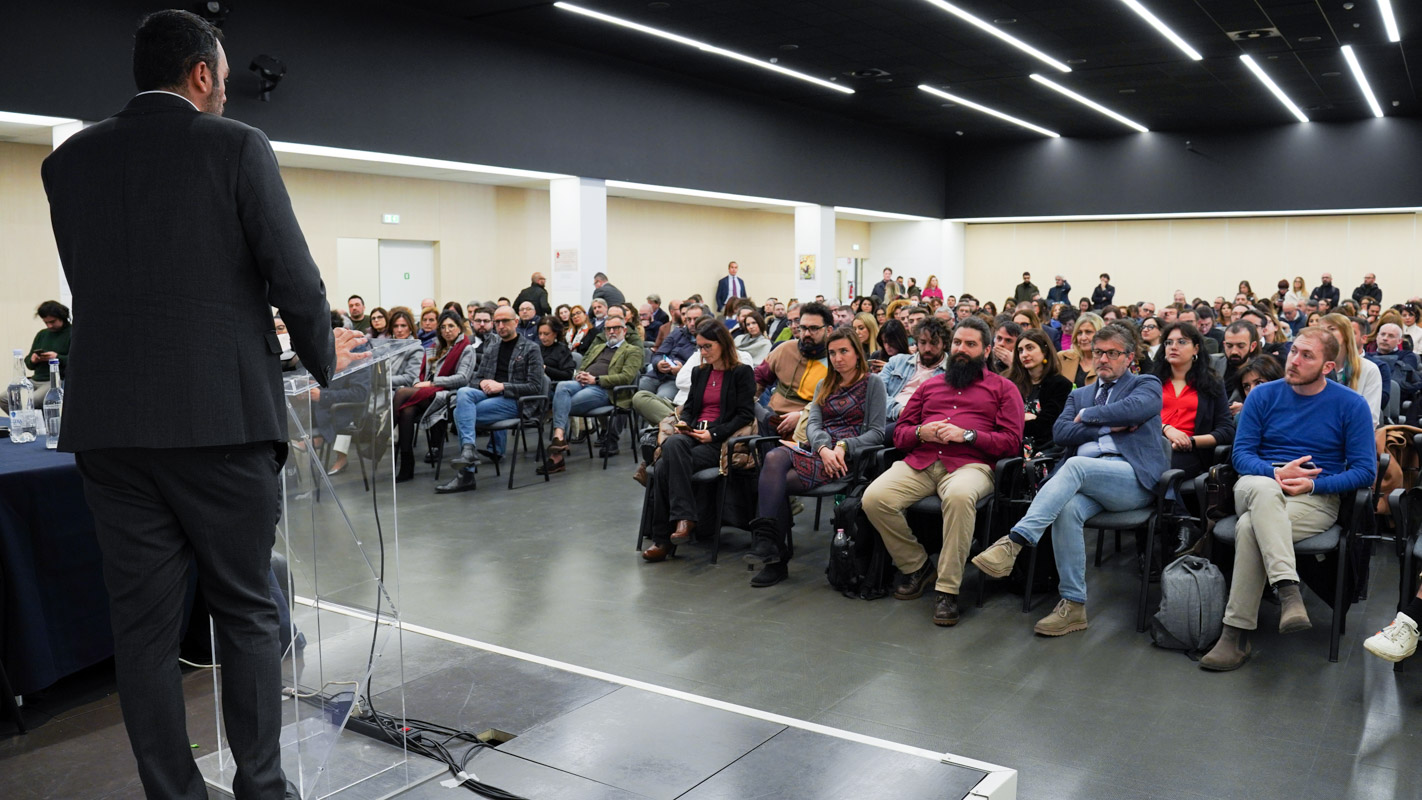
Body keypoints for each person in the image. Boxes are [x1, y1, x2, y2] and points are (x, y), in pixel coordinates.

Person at [39, 10, 358, 798]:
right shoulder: (236, 145)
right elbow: (295, 276)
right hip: (220, 420)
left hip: (110, 429)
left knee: (141, 632)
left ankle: (173, 793)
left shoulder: (68, 162)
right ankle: (260, 788)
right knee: (248, 611)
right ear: (205, 74)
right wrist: (324, 362)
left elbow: (110, 284)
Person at [972, 324, 1169, 637]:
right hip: (1087, 481)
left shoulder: (1145, 383)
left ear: (1129, 357)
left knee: (1076, 464)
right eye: (1097, 352)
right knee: (1067, 510)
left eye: (1112, 353)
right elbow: (1061, 433)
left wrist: (1089, 416)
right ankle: (1073, 605)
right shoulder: (1079, 393)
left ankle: (1015, 542)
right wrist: (1109, 426)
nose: (1102, 358)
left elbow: (1138, 409)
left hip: (1131, 479)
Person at [1199, 328, 1375, 670]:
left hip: (1313, 496)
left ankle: (1234, 635)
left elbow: (1365, 472)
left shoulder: (1350, 404)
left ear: (1328, 367)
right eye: (1294, 351)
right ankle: (1288, 588)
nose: (1294, 360)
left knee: (1250, 528)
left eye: (1307, 356)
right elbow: (1242, 455)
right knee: (1264, 493)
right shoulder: (1263, 396)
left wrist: (1313, 486)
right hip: (1257, 484)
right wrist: (1273, 473)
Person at [863, 317, 1024, 627]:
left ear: (986, 350)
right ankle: (918, 566)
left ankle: (947, 590)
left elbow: (1011, 443)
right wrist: (923, 432)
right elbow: (901, 433)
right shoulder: (930, 386)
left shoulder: (1003, 388)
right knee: (874, 498)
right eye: (957, 343)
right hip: (923, 460)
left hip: (971, 464)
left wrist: (968, 435)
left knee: (961, 497)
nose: (961, 349)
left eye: (970, 344)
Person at [745, 327, 886, 586]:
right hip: (818, 451)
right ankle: (770, 546)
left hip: (849, 458)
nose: (837, 358)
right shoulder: (825, 383)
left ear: (857, 352)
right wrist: (822, 447)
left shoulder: (872, 383)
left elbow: (877, 433)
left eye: (844, 351)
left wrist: (843, 446)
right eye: (832, 353)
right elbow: (813, 425)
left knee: (772, 483)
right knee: (774, 459)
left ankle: (774, 555)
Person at [641, 320, 756, 561]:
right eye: (700, 347)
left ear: (723, 344)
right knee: (674, 444)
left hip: (718, 441)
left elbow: (745, 414)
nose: (702, 353)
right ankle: (685, 519)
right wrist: (687, 426)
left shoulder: (741, 372)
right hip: (692, 436)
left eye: (707, 347)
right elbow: (691, 408)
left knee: (663, 466)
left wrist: (714, 434)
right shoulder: (700, 372)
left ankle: (663, 540)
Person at [436, 306, 545, 493]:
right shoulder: (493, 348)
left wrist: (503, 386)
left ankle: (466, 474)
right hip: (490, 396)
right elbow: (477, 379)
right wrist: (484, 382)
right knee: (463, 393)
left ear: (516, 322)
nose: (501, 326)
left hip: (517, 401)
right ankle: (469, 452)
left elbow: (535, 386)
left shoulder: (531, 348)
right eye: (497, 322)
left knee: (461, 414)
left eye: (505, 321)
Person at [542, 312, 645, 473]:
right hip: (583, 383)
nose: (611, 332)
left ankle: (556, 456)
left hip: (605, 390)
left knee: (561, 404)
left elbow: (626, 377)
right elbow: (583, 365)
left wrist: (596, 380)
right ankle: (559, 437)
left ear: (624, 331)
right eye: (608, 329)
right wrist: (581, 375)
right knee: (562, 386)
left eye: (616, 328)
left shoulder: (632, 350)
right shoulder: (598, 347)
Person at [393, 310, 475, 482]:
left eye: (451, 326)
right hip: (424, 392)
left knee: (401, 393)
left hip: (447, 395)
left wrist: (432, 383)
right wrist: (417, 383)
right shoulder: (433, 348)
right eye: (443, 327)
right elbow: (419, 373)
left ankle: (384, 436)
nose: (447, 330)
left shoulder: (466, 349)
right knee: (407, 411)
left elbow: (463, 378)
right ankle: (407, 463)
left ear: (459, 328)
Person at [1153, 322, 1234, 478]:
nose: (1173, 346)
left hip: (1188, 452)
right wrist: (1166, 428)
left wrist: (1189, 441)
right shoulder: (1151, 382)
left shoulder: (1211, 384)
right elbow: (1138, 419)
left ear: (1196, 349)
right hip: (1150, 444)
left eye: (1181, 342)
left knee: (1162, 470)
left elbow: (1226, 430)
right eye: (1169, 342)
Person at [753, 302, 834, 438]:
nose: (806, 334)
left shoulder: (835, 360)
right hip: (769, 418)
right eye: (803, 328)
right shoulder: (785, 349)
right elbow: (759, 378)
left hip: (807, 424)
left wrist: (802, 416)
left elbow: (835, 405)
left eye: (814, 328)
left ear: (829, 330)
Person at [1005, 328, 1071, 457]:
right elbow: (1002, 422)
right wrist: (1026, 418)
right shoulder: (1010, 383)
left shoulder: (1060, 385)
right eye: (1020, 350)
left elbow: (1046, 427)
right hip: (1011, 445)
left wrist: (1018, 419)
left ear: (1044, 350)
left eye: (1030, 348)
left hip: (1043, 450)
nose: (1024, 354)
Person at [880, 318, 951, 431]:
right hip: (887, 415)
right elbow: (877, 392)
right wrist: (899, 410)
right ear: (916, 342)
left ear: (944, 344)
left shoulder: (951, 372)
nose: (927, 349)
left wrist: (908, 414)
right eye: (922, 342)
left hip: (919, 424)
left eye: (934, 343)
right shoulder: (897, 362)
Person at [1, 300, 71, 412]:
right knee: (4, 398)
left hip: (54, 380)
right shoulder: (42, 334)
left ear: (62, 317)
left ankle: (36, 424)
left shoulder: (71, 333)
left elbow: (78, 361)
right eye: (46, 323)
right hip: (35, 379)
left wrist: (57, 357)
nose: (49, 325)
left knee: (32, 400)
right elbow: (28, 363)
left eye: (52, 321)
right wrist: (33, 360)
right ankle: (26, 423)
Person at [1319, 313, 1382, 426]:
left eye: (1332, 329)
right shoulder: (1315, 367)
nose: (1325, 334)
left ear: (1346, 334)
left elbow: (1370, 418)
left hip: (1353, 434)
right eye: (1321, 330)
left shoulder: (1369, 369)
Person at [641, 302, 706, 398]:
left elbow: (703, 369)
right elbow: (658, 354)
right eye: (688, 319)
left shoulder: (707, 340)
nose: (692, 323)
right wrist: (659, 364)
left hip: (677, 379)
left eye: (696, 319)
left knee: (661, 398)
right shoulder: (677, 333)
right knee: (639, 390)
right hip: (658, 374)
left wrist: (682, 371)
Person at [1057, 311, 1104, 387]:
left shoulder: (1109, 362)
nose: (1083, 337)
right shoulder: (1062, 358)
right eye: (1079, 333)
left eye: (1088, 332)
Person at [387, 310, 423, 389]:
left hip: (398, 392)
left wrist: (383, 381)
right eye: (395, 326)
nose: (399, 330)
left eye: (403, 326)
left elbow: (411, 378)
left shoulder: (416, 349)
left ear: (410, 328)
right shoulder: (387, 347)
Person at [538, 317, 576, 385]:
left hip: (554, 386)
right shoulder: (536, 348)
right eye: (540, 334)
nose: (542, 337)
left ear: (555, 334)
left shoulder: (562, 350)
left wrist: (545, 368)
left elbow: (568, 375)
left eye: (546, 334)